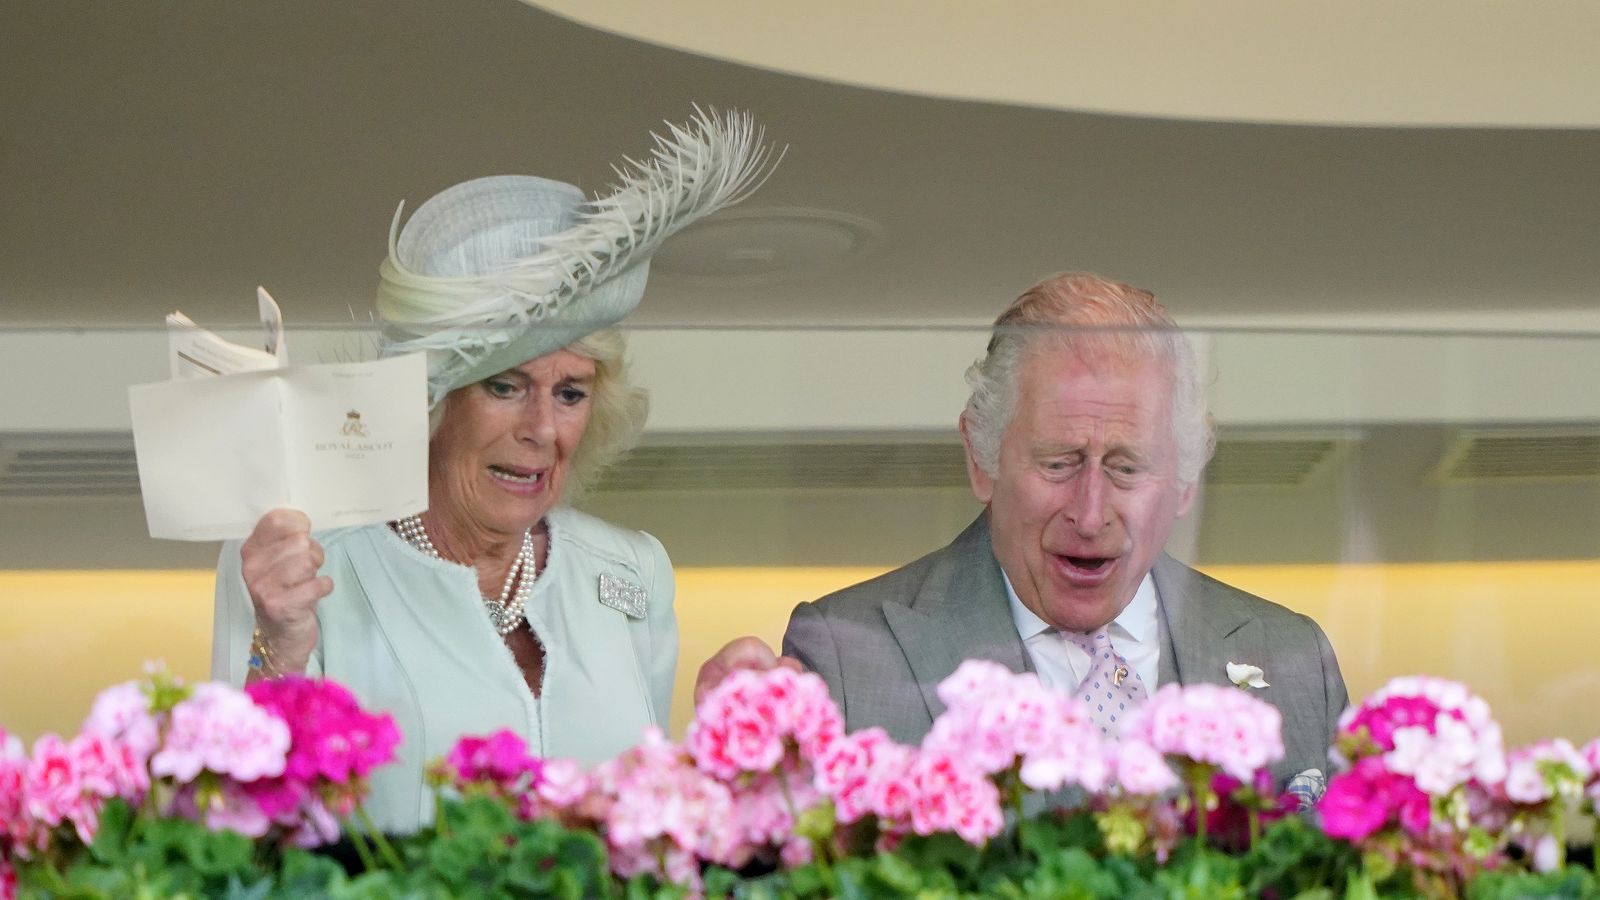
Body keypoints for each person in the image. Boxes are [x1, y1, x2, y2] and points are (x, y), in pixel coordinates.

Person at [212, 110, 775, 832]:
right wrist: (280, 655)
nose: (541, 428)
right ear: (433, 401)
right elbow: (229, 841)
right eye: (505, 386)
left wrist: (720, 754)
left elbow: (638, 833)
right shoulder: (302, 570)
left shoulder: (634, 573)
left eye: (570, 393)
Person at [699, 272, 1346, 791]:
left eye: (1127, 467)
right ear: (982, 458)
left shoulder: (1292, 657)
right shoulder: (846, 655)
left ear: (1183, 483)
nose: (1090, 514)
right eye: (1058, 463)